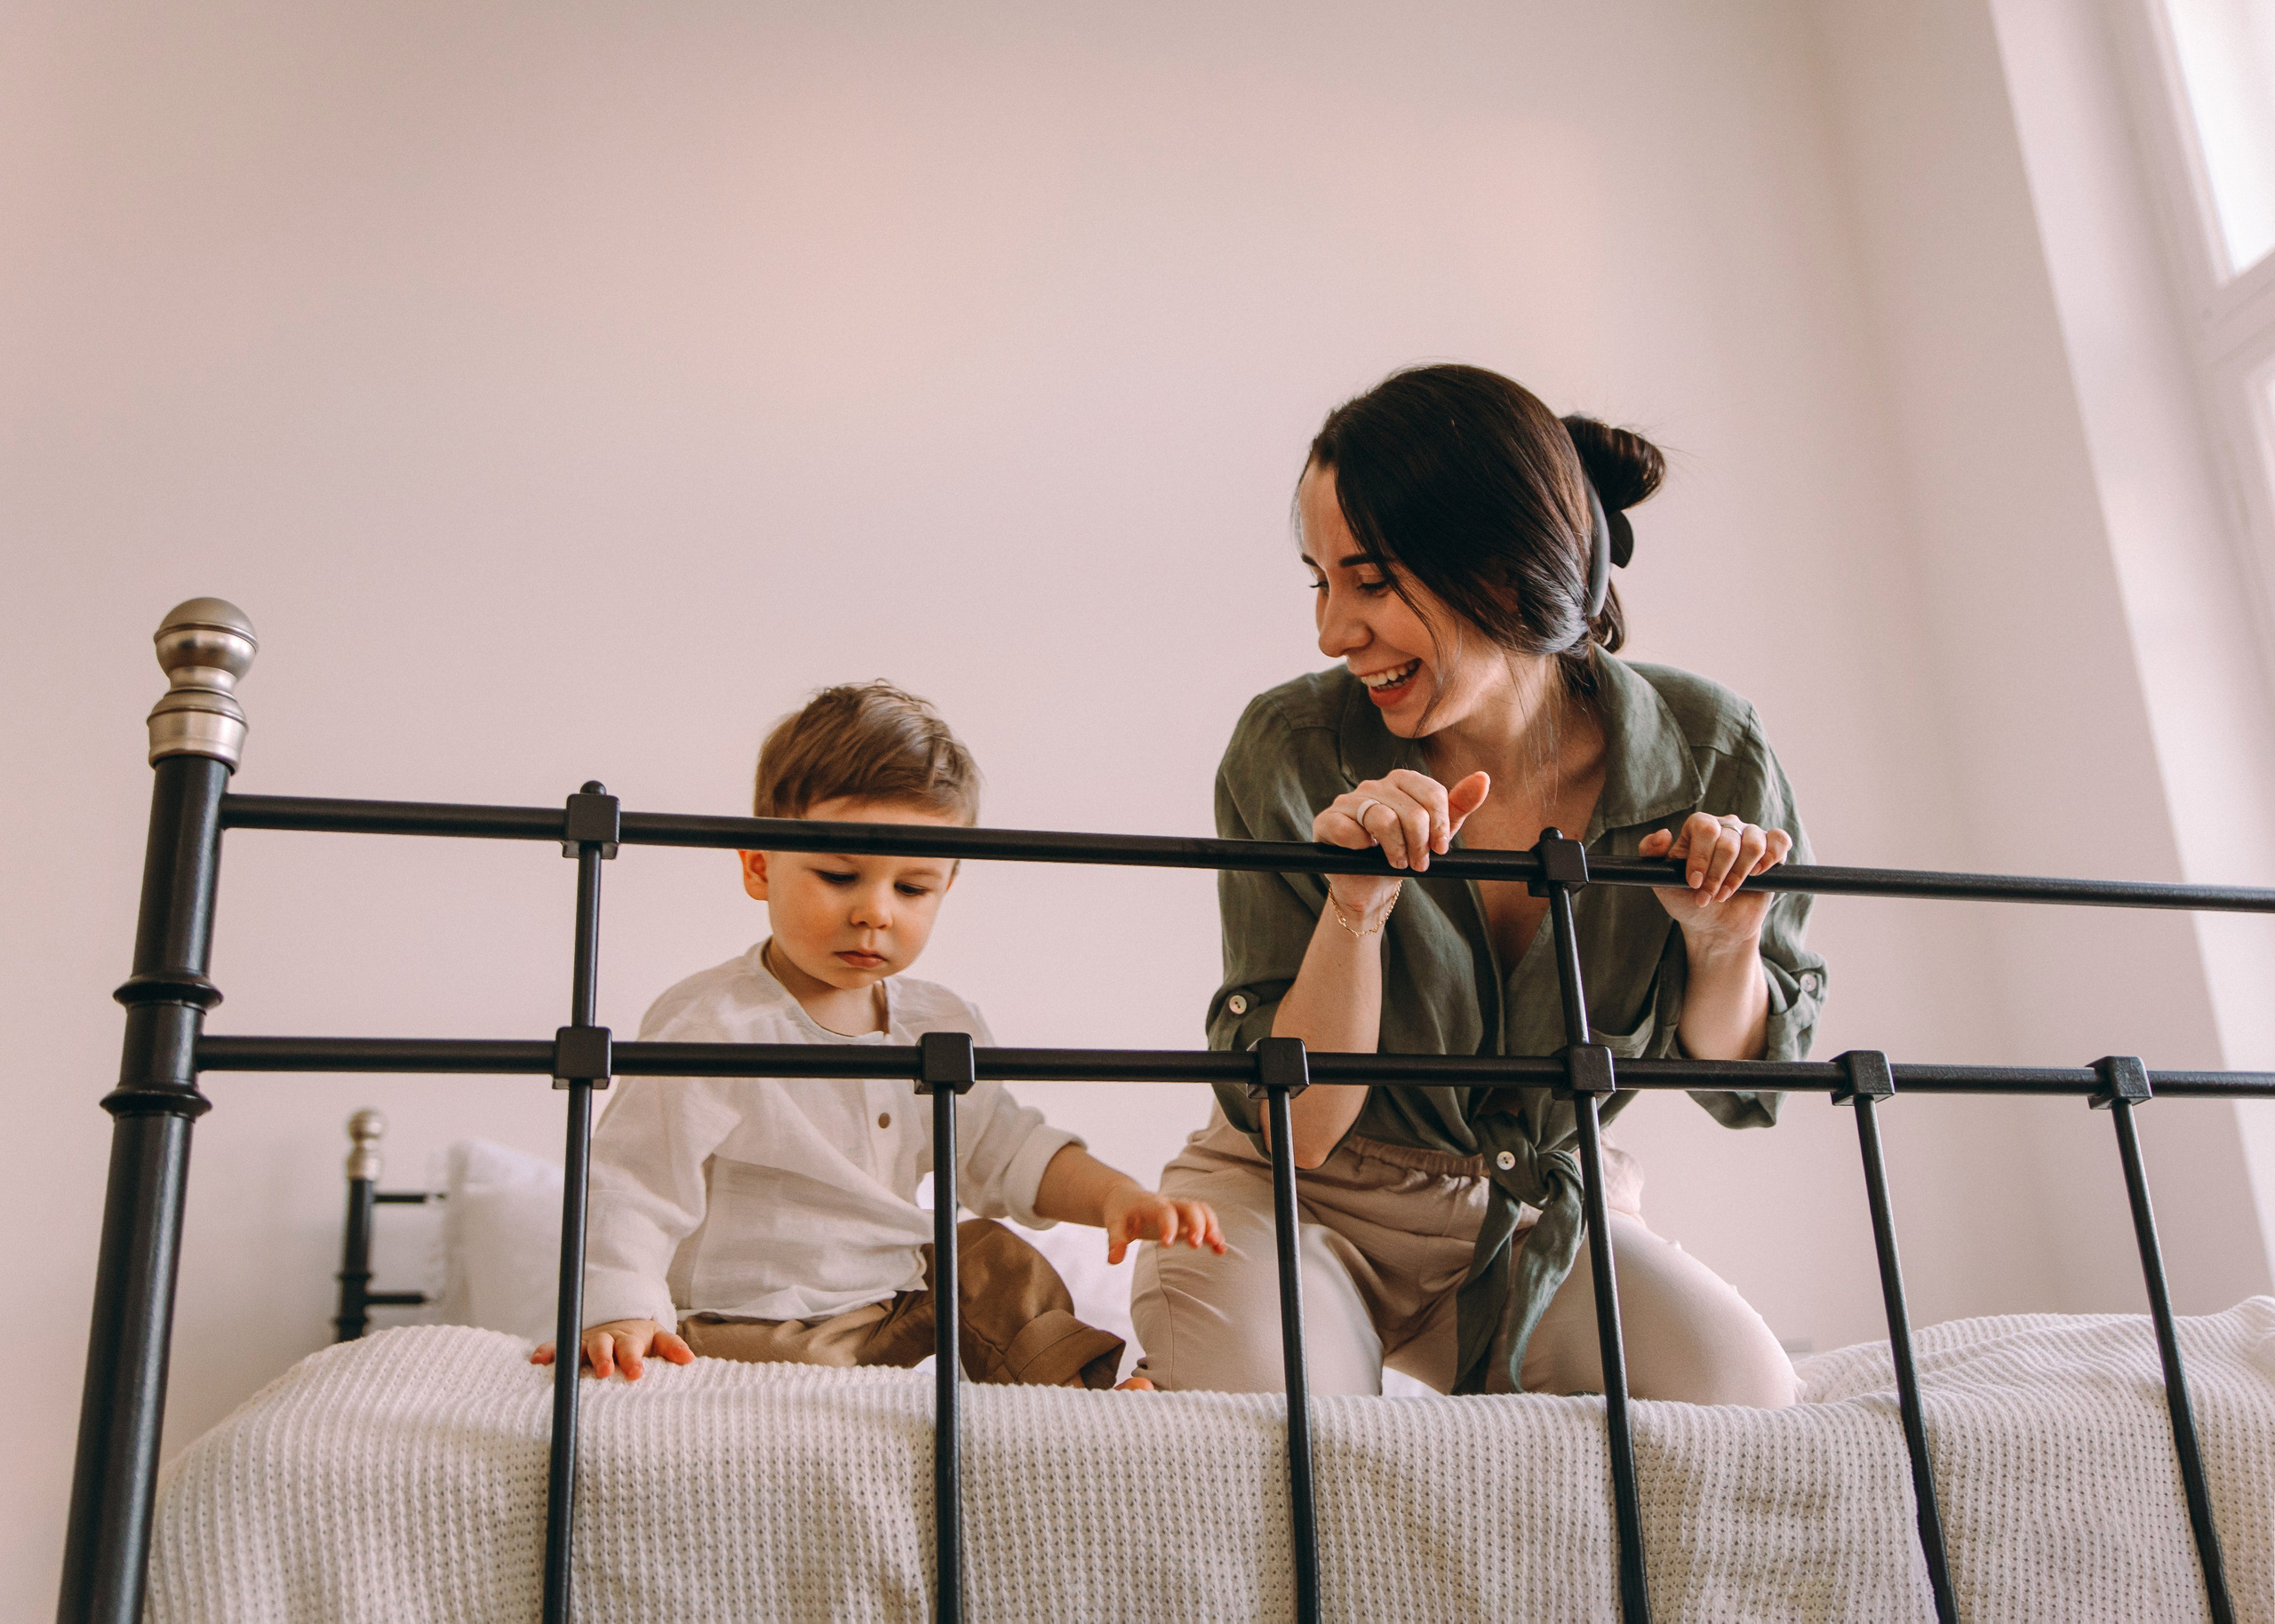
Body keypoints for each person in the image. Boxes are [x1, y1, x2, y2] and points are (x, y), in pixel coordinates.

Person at [1131, 364, 1821, 1405]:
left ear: (1500, 571)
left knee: (1748, 1406)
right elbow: (1302, 1127)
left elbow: (1743, 1087)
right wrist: (1355, 911)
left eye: (1370, 582)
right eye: (1319, 582)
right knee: (1282, 1457)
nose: (1331, 631)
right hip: (1295, 1195)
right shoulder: (1290, 748)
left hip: (1537, 1206)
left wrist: (1721, 948)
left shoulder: (1709, 749)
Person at [534, 681, 1223, 1389]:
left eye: (912, 888)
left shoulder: (937, 1025)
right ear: (758, 867)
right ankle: (838, 1395)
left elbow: (1006, 1148)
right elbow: (634, 1181)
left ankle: (1072, 1393)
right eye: (839, 876)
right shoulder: (713, 1022)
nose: (875, 912)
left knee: (989, 1256)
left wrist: (1115, 1197)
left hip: (897, 1299)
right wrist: (622, 1310)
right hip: (758, 1317)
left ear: (947, 887)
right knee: (801, 1380)